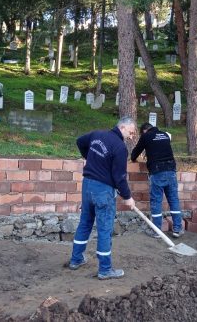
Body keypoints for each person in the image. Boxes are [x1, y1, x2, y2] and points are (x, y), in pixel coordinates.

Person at [69, 116, 136, 280]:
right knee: (105, 229)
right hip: (103, 191)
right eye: (131, 132)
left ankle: (76, 259)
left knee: (85, 222)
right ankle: (105, 269)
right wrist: (127, 197)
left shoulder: (97, 134)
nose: (131, 136)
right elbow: (119, 177)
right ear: (123, 127)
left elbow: (79, 141)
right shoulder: (120, 147)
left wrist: (90, 158)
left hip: (87, 186)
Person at [131, 122, 183, 238]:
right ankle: (177, 229)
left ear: (144, 130)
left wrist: (133, 158)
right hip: (171, 170)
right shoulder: (164, 134)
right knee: (174, 200)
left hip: (157, 171)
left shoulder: (146, 136)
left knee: (156, 201)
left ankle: (157, 231)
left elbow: (136, 152)